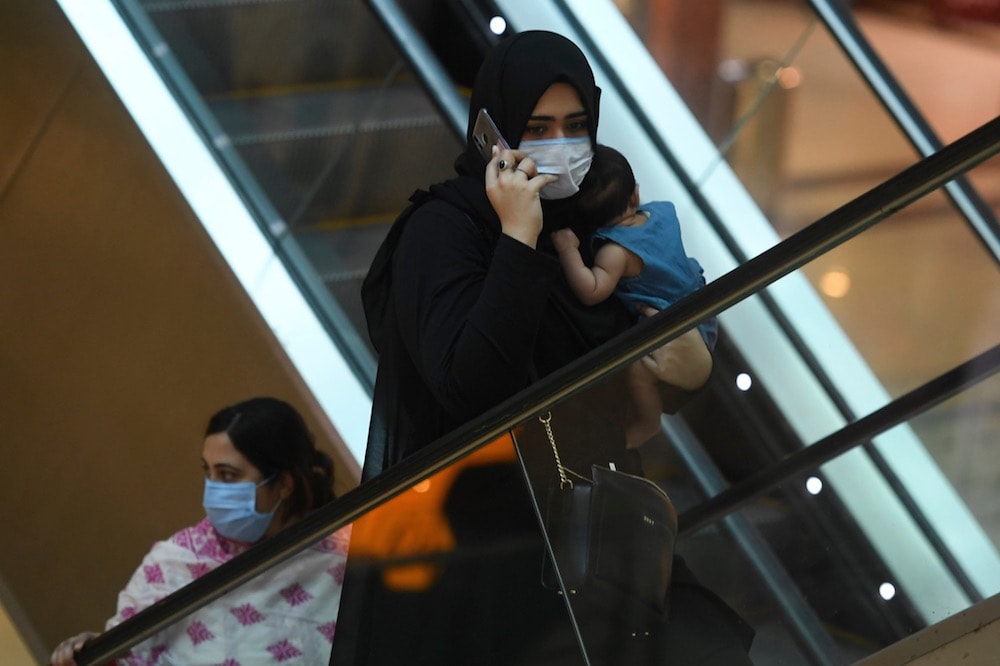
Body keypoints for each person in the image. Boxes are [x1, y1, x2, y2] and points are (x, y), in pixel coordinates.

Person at [334, 30, 754, 665]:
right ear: (493, 132)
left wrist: (685, 358)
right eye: (537, 126)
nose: (560, 145)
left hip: (596, 528)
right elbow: (473, 387)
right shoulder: (442, 231)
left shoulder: (587, 224)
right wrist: (516, 241)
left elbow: (632, 377)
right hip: (484, 555)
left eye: (575, 124)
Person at [51, 397, 350, 666]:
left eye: (228, 475)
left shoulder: (347, 564)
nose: (213, 489)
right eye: (208, 472)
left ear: (284, 484)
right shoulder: (173, 564)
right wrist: (94, 654)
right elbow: (130, 657)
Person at [552, 144, 717, 447]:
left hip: (677, 335)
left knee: (638, 372)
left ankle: (648, 423)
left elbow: (592, 291)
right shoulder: (661, 212)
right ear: (635, 195)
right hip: (702, 313)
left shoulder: (616, 252)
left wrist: (567, 250)